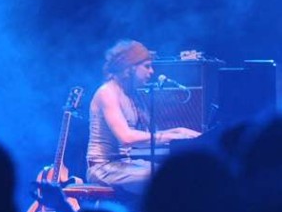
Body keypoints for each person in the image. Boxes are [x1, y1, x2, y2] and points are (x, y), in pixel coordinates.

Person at [85, 39, 199, 200]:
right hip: (103, 168)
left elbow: (147, 136)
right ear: (129, 69)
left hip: (124, 164)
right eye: (147, 66)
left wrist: (179, 131)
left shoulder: (132, 94)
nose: (151, 72)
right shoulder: (107, 93)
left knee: (176, 172)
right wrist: (172, 136)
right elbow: (126, 137)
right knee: (168, 178)